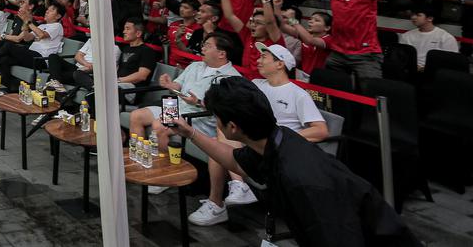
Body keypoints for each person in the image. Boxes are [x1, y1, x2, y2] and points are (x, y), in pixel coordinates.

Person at [169, 77, 419, 246]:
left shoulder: (301, 179)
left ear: (232, 127)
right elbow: (236, 161)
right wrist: (191, 133)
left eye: (217, 119)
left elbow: (339, 237)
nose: (216, 124)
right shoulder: (274, 139)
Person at [0, 0, 64, 89]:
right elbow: (27, 38)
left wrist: (29, 22)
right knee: (5, 59)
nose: (47, 11)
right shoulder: (41, 26)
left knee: (9, 46)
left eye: (51, 10)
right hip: (31, 55)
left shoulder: (57, 26)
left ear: (58, 16)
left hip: (41, 59)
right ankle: (5, 87)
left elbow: (41, 35)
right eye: (48, 9)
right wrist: (25, 23)